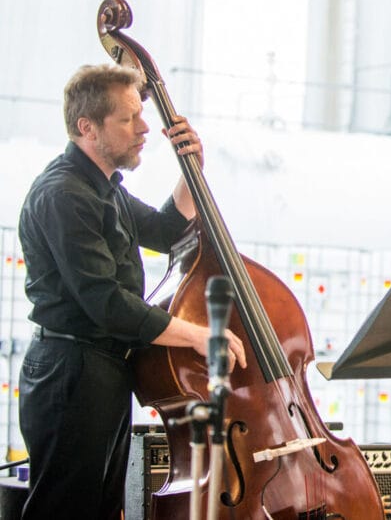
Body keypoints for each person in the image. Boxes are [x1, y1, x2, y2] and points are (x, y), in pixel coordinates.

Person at [17, 64, 247, 519]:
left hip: (100, 370)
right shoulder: (65, 193)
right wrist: (200, 336)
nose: (145, 128)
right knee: (64, 509)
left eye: (141, 114)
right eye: (127, 119)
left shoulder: (103, 188)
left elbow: (164, 231)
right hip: (72, 371)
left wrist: (191, 169)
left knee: (101, 509)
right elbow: (108, 305)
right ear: (88, 128)